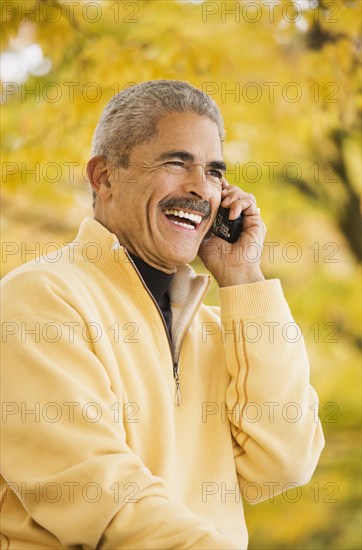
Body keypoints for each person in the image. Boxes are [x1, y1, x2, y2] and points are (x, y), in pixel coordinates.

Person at [1, 80, 324, 550]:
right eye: (177, 162)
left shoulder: (217, 330)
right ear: (104, 178)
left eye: (214, 172)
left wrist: (244, 278)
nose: (200, 188)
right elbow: (101, 497)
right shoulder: (39, 300)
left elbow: (284, 464)